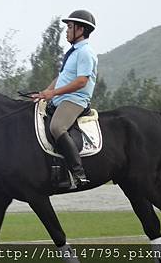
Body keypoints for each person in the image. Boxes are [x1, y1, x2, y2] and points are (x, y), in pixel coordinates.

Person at [33, 10, 98, 188]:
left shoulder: (85, 52)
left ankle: (78, 173)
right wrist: (45, 92)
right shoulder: (73, 52)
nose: (67, 31)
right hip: (61, 98)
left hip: (75, 99)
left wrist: (53, 94)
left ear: (81, 29)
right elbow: (62, 78)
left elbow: (81, 81)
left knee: (56, 126)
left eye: (70, 27)